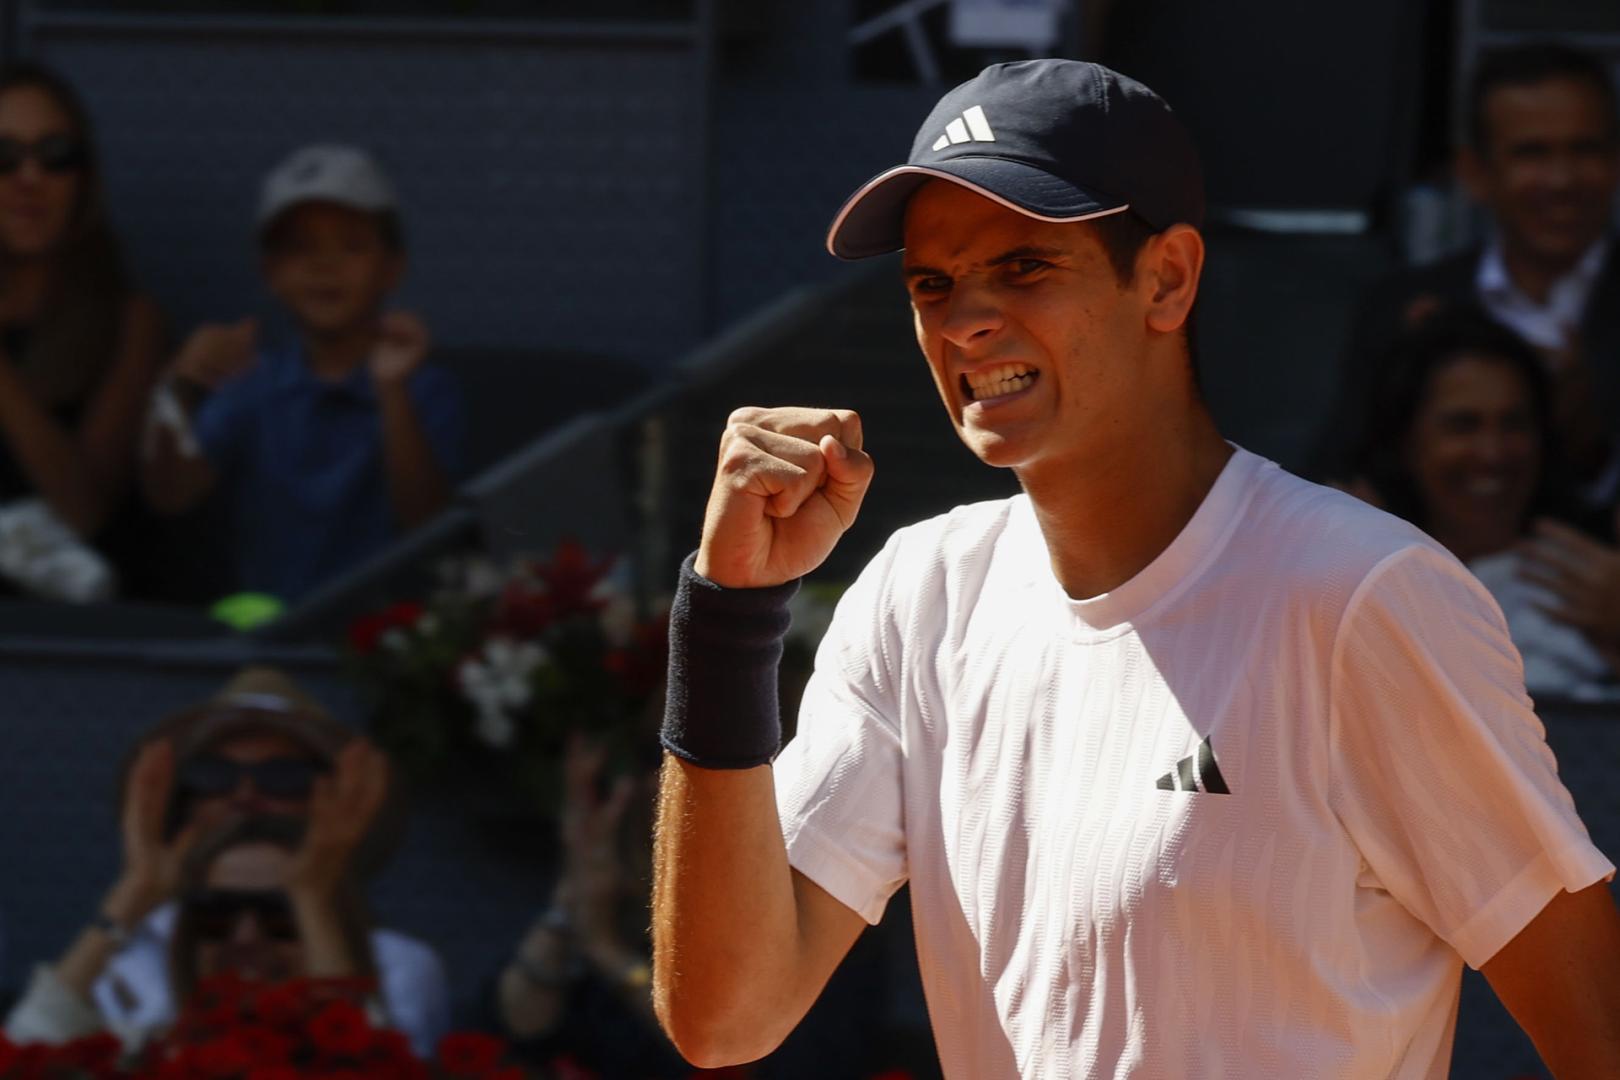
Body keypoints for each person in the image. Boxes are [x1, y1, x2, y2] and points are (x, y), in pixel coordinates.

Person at [650, 59, 1620, 1077]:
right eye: (931, 284)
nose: (965, 319)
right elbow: (725, 1016)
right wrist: (727, 616)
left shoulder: (1365, 597)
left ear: (1168, 278)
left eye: (1024, 267)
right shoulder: (915, 597)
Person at [141, 143, 464, 603]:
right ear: (270, 272)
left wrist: (392, 390)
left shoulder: (427, 387)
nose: (324, 265)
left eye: (352, 245)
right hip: (268, 634)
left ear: (392, 267)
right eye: (300, 247)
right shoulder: (250, 385)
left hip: (386, 641)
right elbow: (170, 494)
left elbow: (428, 527)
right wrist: (179, 386)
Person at [90, 667, 450, 1057]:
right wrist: (131, 897)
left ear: (335, 802)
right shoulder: (122, 960)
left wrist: (311, 901)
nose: (245, 795)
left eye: (283, 776)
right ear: (185, 802)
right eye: (214, 775)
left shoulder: (399, 964)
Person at [1315, 41, 1620, 492]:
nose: (1562, 180)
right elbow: (1337, 472)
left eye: (1585, 150)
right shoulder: (1400, 307)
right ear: (1475, 171)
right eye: (1532, 154)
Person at [5, 743, 383, 1047]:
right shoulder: (150, 1054)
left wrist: (314, 901)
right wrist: (131, 898)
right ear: (188, 937)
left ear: (329, 931)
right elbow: (26, 1056)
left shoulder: (383, 1050)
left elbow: (363, 1065)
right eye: (216, 914)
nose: (246, 936)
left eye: (280, 914)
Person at [1354, 305, 1620, 699]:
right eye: (1463, 425)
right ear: (1405, 441)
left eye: (1514, 424)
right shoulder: (1353, 578)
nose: (1492, 453)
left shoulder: (1599, 585)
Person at [0, 63, 165, 597]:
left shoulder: (129, 320)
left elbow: (86, 508)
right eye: (3, 157)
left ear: (83, 177)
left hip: (78, 631)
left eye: (55, 156)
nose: (29, 178)